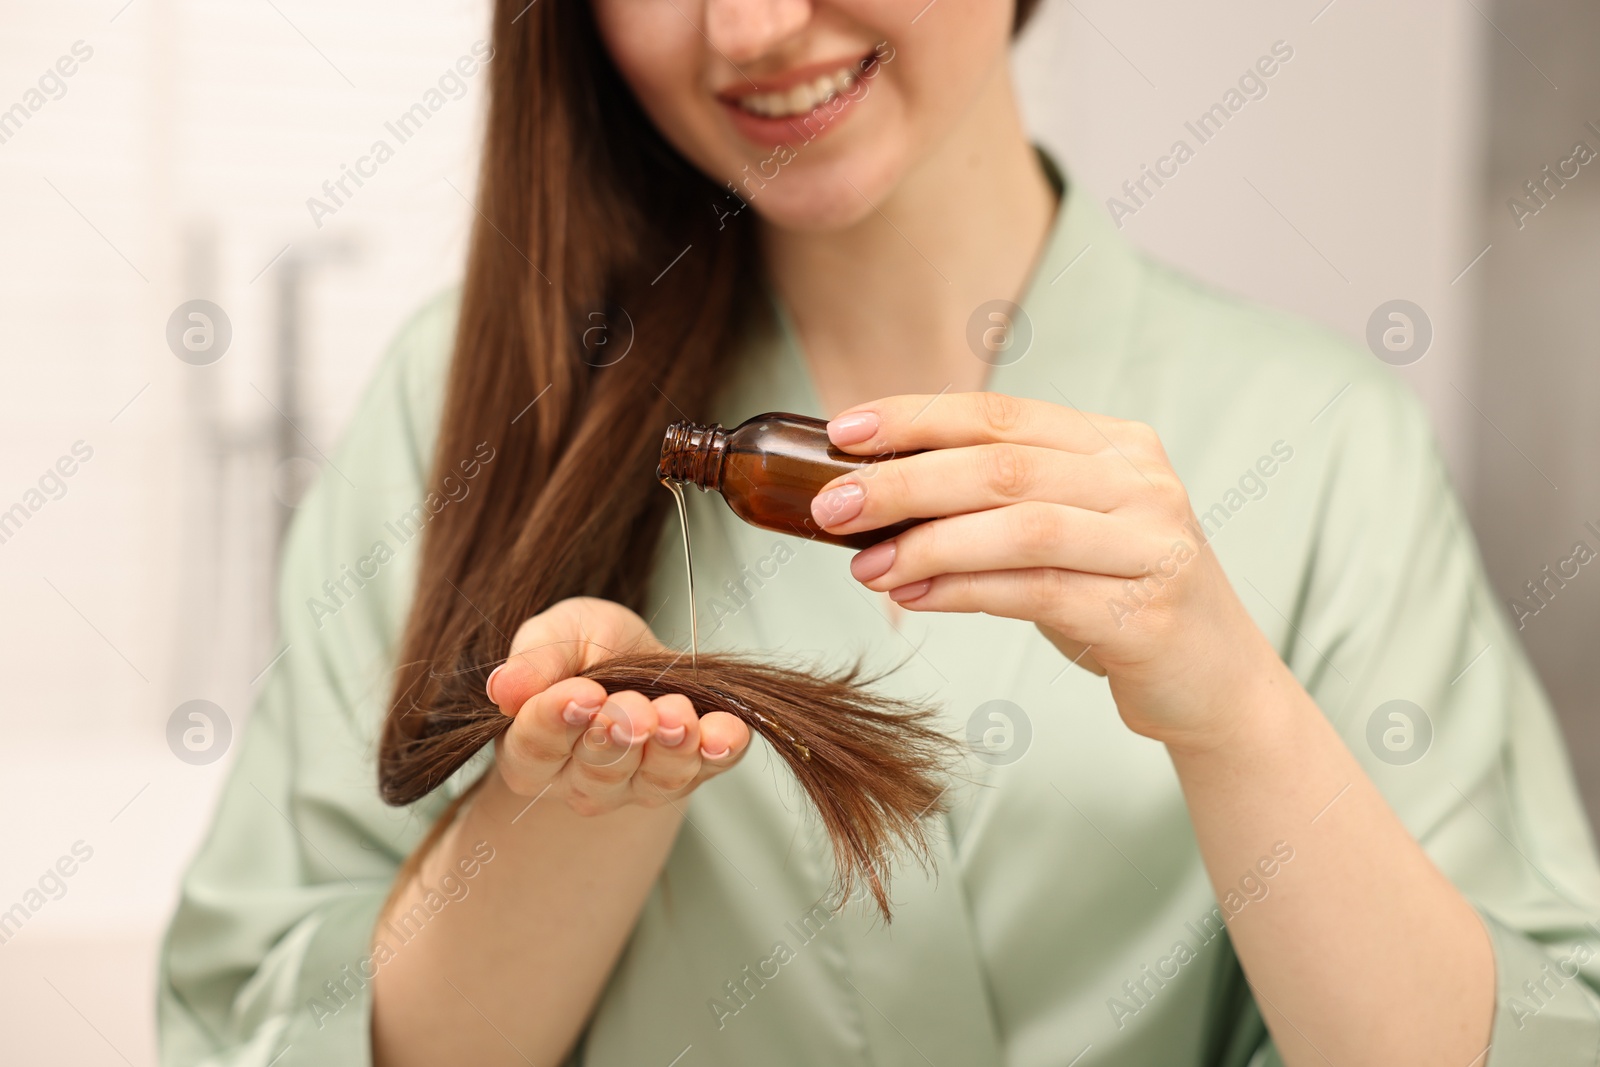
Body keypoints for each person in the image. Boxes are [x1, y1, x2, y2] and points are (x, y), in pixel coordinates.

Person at [158, 0, 1600, 1064]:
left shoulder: (1327, 442)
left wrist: (1237, 719)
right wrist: (562, 821)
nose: (754, 27)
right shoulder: (471, 405)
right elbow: (251, 1028)